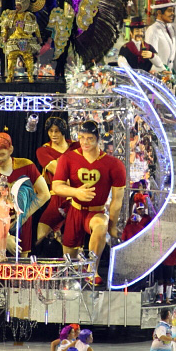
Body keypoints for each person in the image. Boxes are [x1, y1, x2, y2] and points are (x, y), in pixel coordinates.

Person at [53, 121, 126, 286]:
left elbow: (117, 199)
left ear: (98, 139)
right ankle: (71, 279)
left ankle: (92, 268)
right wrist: (76, 192)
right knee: (68, 262)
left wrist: (113, 226)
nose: (85, 142)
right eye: (82, 138)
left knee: (101, 225)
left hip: (96, 211)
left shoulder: (114, 165)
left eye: (90, 138)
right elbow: (56, 186)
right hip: (75, 210)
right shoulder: (68, 158)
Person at [0, 132, 50, 257]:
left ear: (10, 149)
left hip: (23, 224)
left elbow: (45, 194)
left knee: (21, 265)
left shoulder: (26, 166)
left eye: (1, 154)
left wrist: (24, 215)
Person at [35, 116, 80, 244]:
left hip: (77, 196)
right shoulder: (43, 151)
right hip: (58, 197)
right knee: (41, 235)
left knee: (75, 238)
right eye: (50, 131)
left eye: (57, 131)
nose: (53, 134)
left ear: (63, 131)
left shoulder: (76, 146)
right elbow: (59, 171)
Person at [145, 0, 176, 70]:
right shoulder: (153, 30)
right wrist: (163, 69)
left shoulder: (170, 28)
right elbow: (151, 56)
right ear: (159, 13)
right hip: (157, 73)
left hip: (168, 73)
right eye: (169, 11)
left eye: (173, 10)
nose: (173, 13)